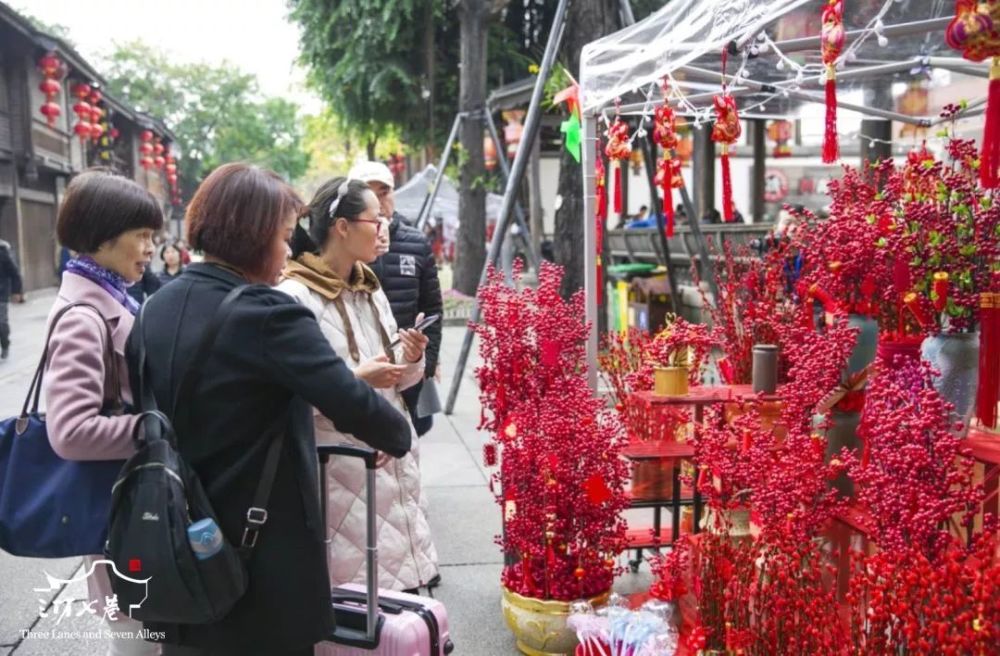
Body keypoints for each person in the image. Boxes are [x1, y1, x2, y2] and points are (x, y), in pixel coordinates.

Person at [128, 163, 411, 656]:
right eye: (283, 237)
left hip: (177, 538)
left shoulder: (154, 307)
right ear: (257, 236)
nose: (287, 251)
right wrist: (395, 431)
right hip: (258, 555)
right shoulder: (268, 314)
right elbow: (361, 407)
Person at [278, 177, 440, 595]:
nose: (384, 229)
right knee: (357, 593)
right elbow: (286, 397)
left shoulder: (369, 288)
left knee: (399, 588)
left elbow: (400, 376)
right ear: (342, 227)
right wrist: (355, 381)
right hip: (343, 464)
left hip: (390, 454)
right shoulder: (295, 297)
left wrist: (412, 357)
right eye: (375, 219)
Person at [45, 169, 163, 656]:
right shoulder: (82, 316)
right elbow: (69, 432)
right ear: (101, 237)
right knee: (138, 643)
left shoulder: (110, 295)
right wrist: (150, 428)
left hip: (130, 505)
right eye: (141, 235)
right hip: (119, 512)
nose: (151, 248)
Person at [350, 161, 444, 438]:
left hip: (411, 359)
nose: (378, 200)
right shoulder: (344, 245)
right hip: (366, 363)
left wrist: (429, 361)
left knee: (416, 431)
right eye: (369, 193)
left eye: (384, 191)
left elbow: (433, 307)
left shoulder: (416, 241)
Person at [0, 237, 24, 360]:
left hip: (1, 294)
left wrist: (16, 291)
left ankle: (5, 344)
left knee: (1, 323)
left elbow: (15, 273)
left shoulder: (2, 251)